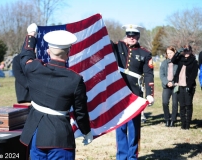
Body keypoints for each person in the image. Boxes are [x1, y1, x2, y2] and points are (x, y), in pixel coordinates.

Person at [19, 24, 93, 160]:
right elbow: (80, 112)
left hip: (36, 133)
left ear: (48, 51)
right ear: (69, 52)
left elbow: (25, 56)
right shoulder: (75, 80)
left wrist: (31, 35)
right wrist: (86, 131)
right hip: (60, 139)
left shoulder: (34, 68)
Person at [111, 24, 154, 159]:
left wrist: (150, 94)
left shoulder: (145, 53)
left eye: (134, 35)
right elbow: (104, 43)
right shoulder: (118, 47)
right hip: (119, 94)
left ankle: (132, 157)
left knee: (134, 128)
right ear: (126, 36)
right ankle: (121, 156)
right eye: (129, 35)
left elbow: (148, 74)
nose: (131, 38)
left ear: (138, 36)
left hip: (135, 95)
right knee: (120, 128)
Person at [171, 44, 198, 130]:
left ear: (191, 51)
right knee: (182, 105)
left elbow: (193, 75)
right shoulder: (180, 59)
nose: (186, 52)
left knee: (188, 105)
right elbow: (173, 60)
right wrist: (177, 52)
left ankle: (188, 124)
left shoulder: (194, 61)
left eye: (188, 50)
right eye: (184, 50)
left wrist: (189, 85)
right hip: (179, 85)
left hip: (188, 86)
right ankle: (183, 124)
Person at [159, 46, 178, 127]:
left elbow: (179, 74)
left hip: (175, 86)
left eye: (171, 53)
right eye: (168, 53)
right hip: (166, 86)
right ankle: (167, 119)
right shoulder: (164, 63)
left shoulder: (178, 62)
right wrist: (167, 82)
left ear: (174, 52)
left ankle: (173, 120)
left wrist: (173, 82)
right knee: (165, 102)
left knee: (175, 103)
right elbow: (161, 75)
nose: (169, 55)